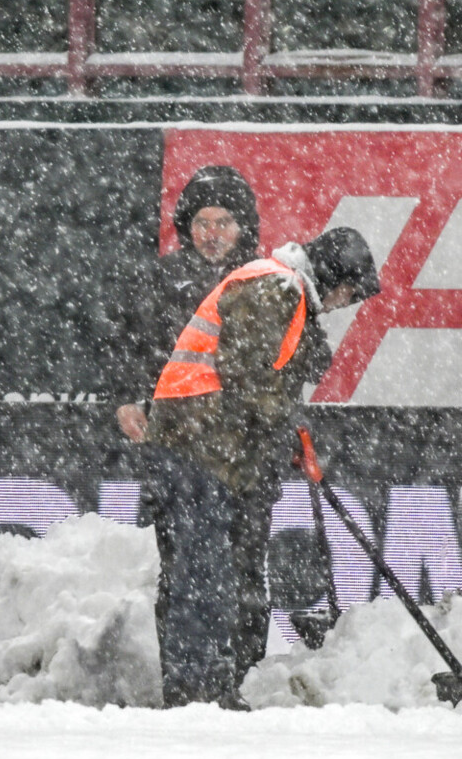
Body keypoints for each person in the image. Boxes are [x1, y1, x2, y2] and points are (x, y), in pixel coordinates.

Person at [142, 228, 380, 708]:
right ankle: (198, 693)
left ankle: (215, 685)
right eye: (348, 291)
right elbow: (248, 375)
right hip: (198, 445)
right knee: (203, 573)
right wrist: (289, 427)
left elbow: (261, 382)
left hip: (211, 445)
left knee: (214, 571)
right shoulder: (277, 286)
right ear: (333, 274)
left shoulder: (287, 292)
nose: (343, 303)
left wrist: (284, 436)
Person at [109, 165, 263, 444]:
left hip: (246, 436)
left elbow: (284, 362)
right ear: (187, 227)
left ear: (242, 228)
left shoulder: (264, 278)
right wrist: (126, 400)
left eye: (223, 223)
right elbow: (131, 344)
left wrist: (286, 427)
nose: (211, 234)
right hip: (173, 431)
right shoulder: (161, 277)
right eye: (202, 223)